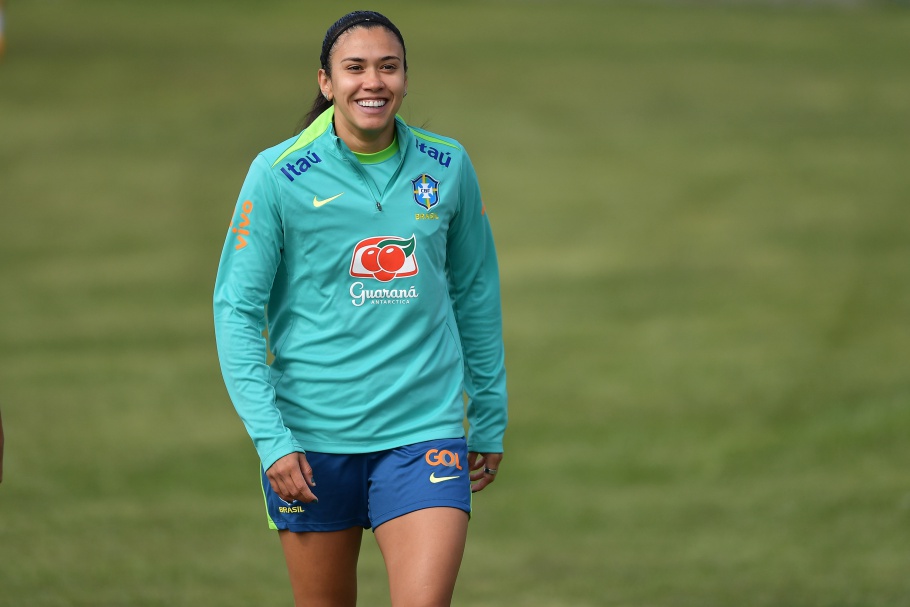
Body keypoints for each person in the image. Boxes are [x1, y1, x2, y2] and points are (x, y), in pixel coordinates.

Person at [213, 11, 507, 607]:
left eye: (388, 67)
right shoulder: (276, 175)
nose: (373, 81)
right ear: (326, 82)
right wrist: (272, 440)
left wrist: (489, 412)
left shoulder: (448, 166)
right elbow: (236, 309)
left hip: (424, 430)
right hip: (312, 443)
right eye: (355, 68)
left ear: (405, 79)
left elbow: (476, 290)